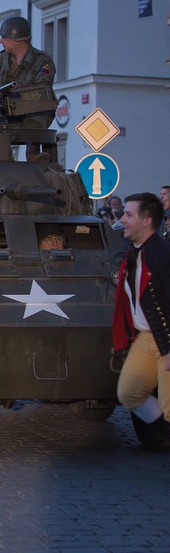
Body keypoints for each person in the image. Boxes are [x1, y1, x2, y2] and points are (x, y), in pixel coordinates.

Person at [113, 192, 170, 451]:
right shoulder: (135, 253)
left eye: (129, 214)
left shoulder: (162, 254)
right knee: (129, 393)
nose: (122, 219)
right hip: (146, 338)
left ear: (146, 221)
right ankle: (166, 436)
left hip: (165, 339)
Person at [0, 16, 56, 129]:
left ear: (17, 39)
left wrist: (10, 90)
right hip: (5, 112)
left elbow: (41, 91)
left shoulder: (42, 60)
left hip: (34, 112)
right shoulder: (1, 60)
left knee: (35, 123)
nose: (1, 41)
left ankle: (32, 146)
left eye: (4, 37)